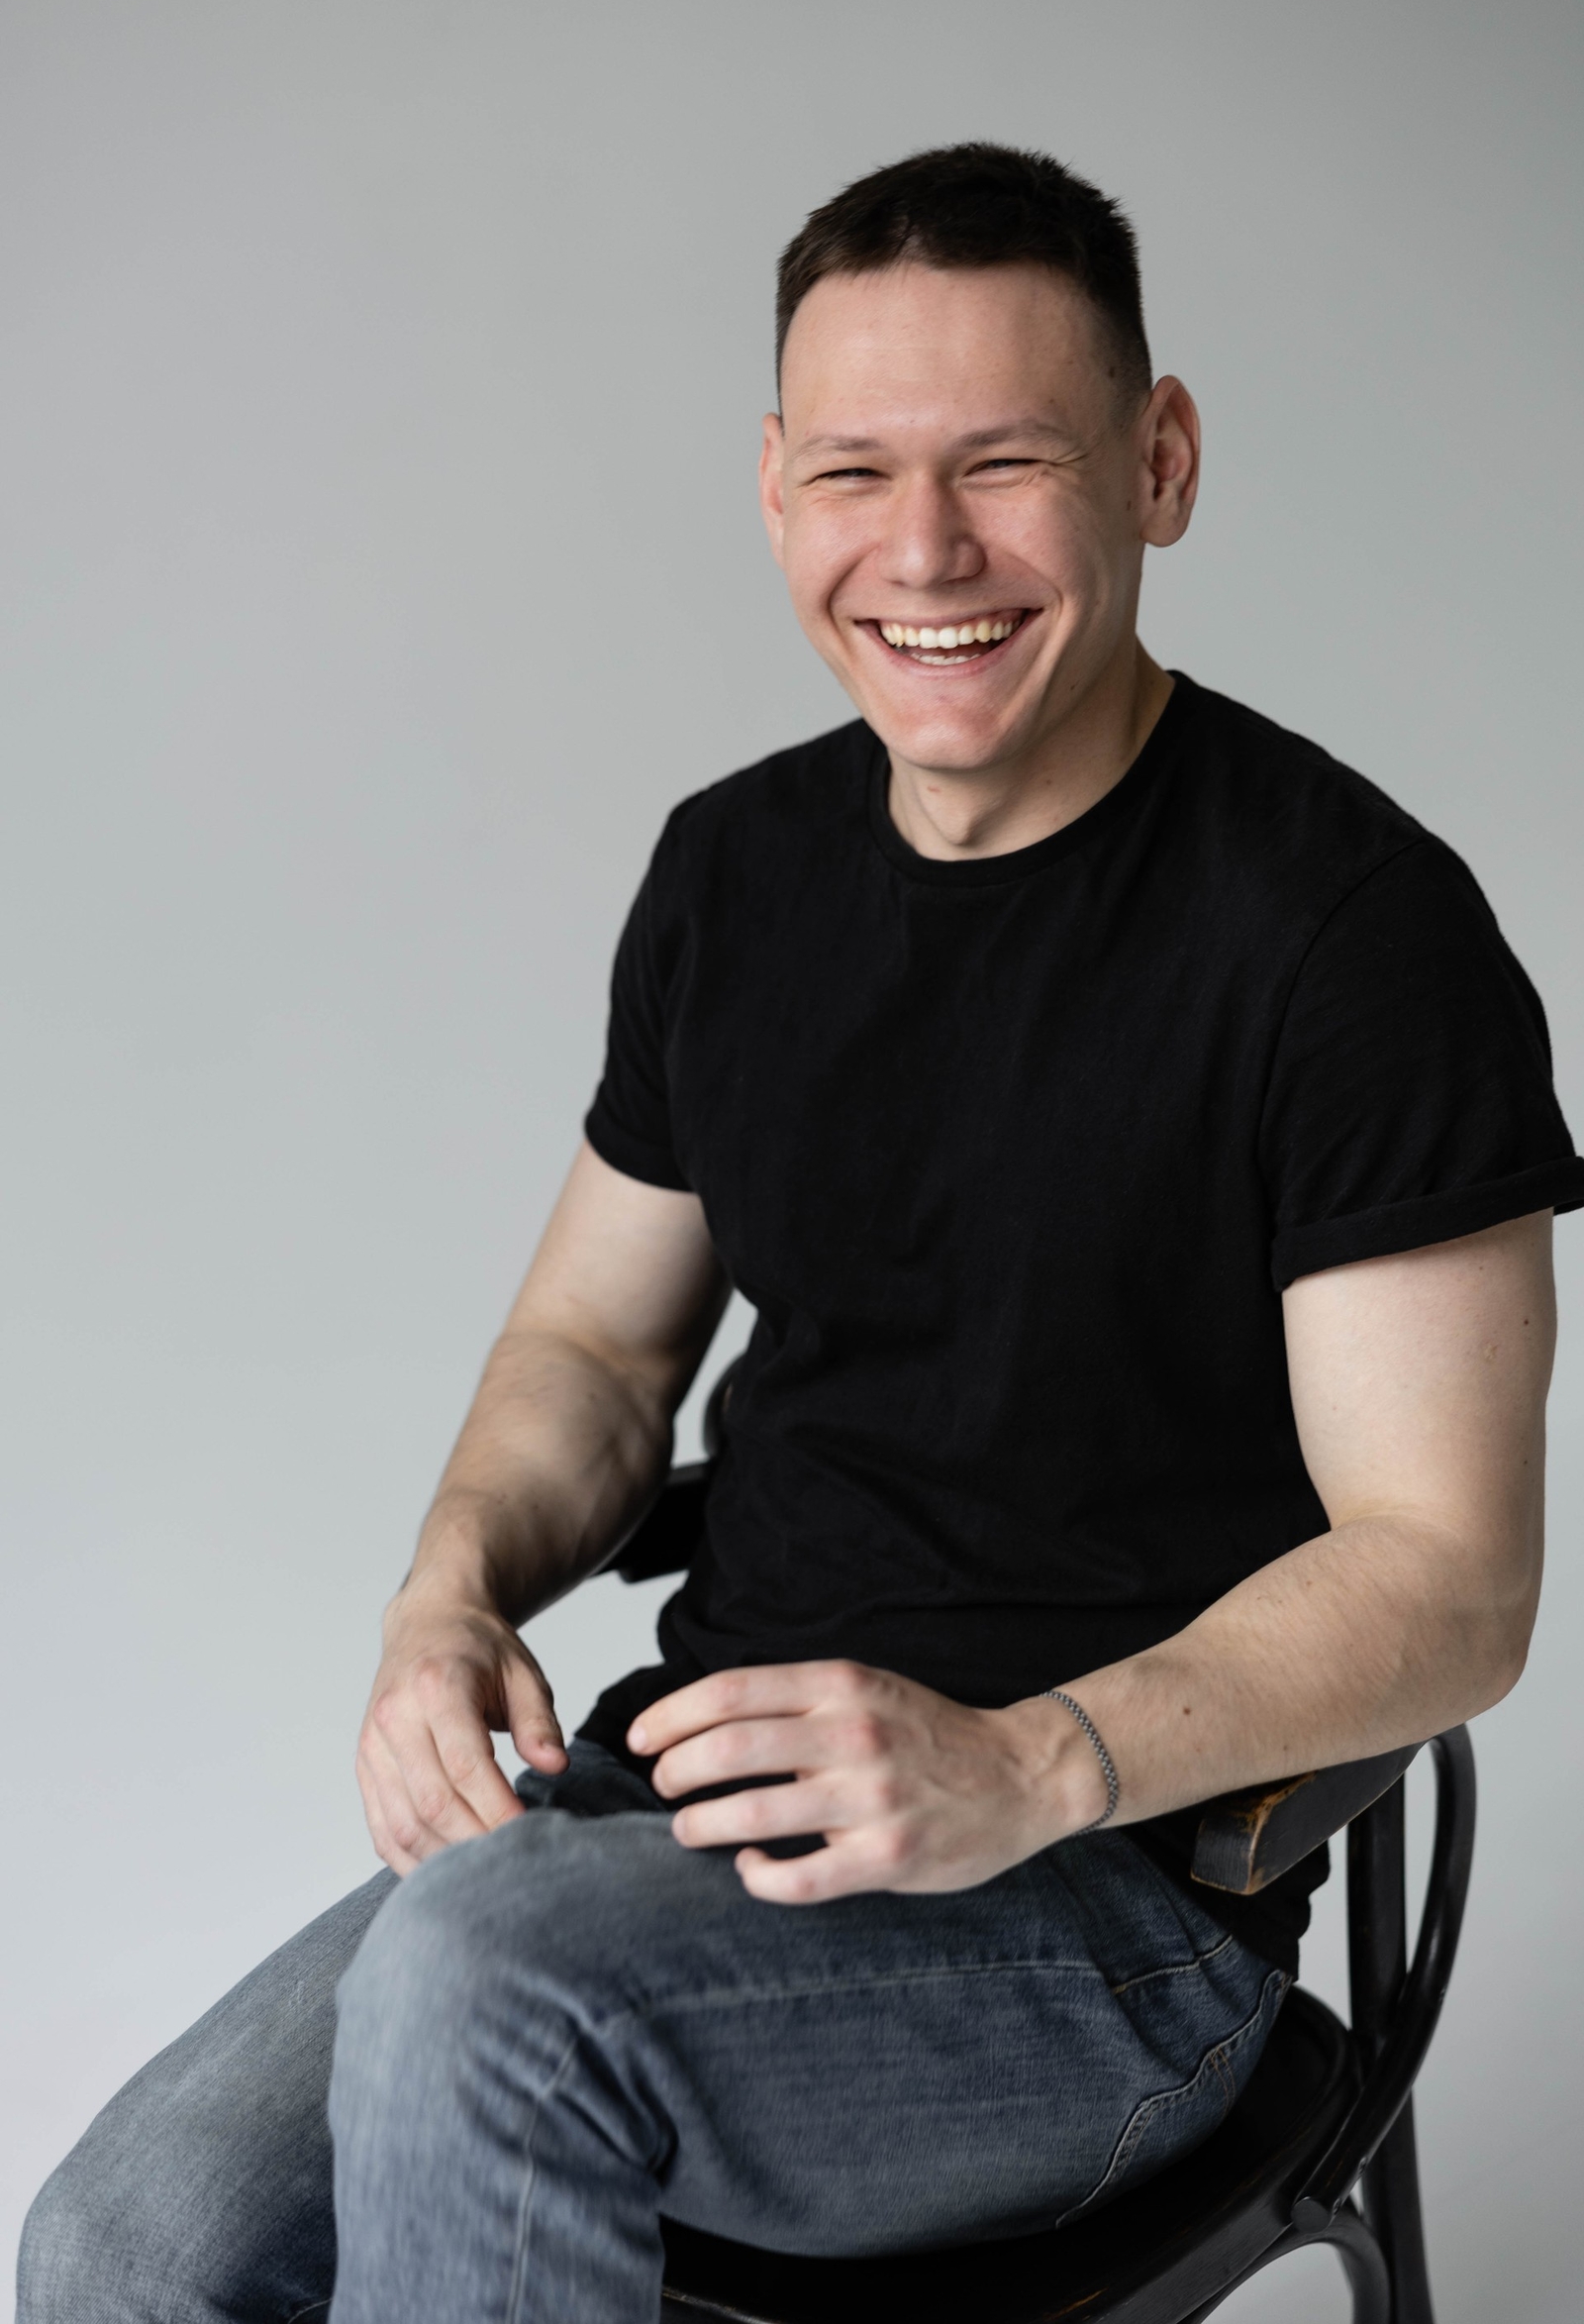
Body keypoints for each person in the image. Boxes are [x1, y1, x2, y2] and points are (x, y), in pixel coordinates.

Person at [19, 142, 1581, 2324]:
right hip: (673, 1828)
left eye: (1005, 464)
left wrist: (1023, 1763)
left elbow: (1450, 1578)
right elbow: (593, 1355)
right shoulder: (731, 877)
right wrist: (445, 1594)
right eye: (854, 470)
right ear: (775, 488)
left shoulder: (1349, 936)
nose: (921, 550)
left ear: (1157, 462)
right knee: (119, 2255)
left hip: (1107, 1916)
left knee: (490, 1998)